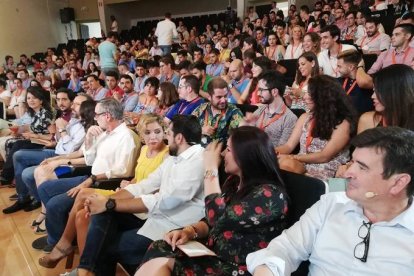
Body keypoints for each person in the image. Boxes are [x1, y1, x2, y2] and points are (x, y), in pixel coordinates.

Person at [247, 127, 414, 276]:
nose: (348, 173)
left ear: (398, 183)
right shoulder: (332, 203)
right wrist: (268, 269)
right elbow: (287, 247)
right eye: (352, 162)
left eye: (362, 167)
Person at [136, 126, 289, 276]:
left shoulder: (270, 195)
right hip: (214, 254)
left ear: (245, 156)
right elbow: (211, 221)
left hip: (238, 267)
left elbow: (217, 218)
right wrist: (190, 231)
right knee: (161, 246)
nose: (222, 154)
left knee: (165, 261)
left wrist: (210, 169)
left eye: (228, 150)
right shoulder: (234, 182)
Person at [63, 115, 205, 276]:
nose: (166, 137)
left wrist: (110, 203)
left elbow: (166, 201)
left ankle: (86, 271)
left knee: (103, 246)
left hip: (172, 227)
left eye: (168, 134)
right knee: (103, 212)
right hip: (155, 216)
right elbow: (144, 185)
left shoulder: (198, 160)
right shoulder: (175, 157)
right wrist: (106, 201)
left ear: (179, 138)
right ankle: (86, 271)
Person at [38, 114, 169, 268]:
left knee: (83, 194)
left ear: (164, 132)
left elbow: (159, 190)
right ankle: (84, 267)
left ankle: (64, 245)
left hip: (140, 205)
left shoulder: (167, 154)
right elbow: (138, 178)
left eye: (157, 131)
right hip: (129, 193)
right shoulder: (144, 149)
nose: (153, 137)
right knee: (81, 216)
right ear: (141, 134)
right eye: (147, 133)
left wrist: (130, 188)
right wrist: (129, 183)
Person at [35, 98, 140, 251]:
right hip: (91, 177)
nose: (95, 118)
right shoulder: (104, 133)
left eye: (97, 115)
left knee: (54, 205)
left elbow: (124, 171)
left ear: (108, 116)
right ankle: (61, 229)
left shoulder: (127, 136)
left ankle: (57, 241)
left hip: (105, 183)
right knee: (45, 188)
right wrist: (89, 138)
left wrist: (93, 179)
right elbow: (90, 160)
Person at [276, 75, 356, 181]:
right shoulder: (305, 117)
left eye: (309, 94)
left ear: (323, 96)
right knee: (276, 164)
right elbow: (289, 146)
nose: (304, 97)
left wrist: (294, 157)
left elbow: (325, 156)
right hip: (300, 163)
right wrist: (269, 151)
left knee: (285, 165)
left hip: (324, 167)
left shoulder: (342, 123)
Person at [245, 71, 297, 147]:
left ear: (274, 92)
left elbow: (282, 149)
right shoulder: (261, 110)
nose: (258, 93)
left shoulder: (289, 118)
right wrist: (248, 127)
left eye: (261, 90)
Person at [191, 77, 243, 146]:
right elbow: (187, 128)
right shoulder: (201, 108)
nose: (223, 100)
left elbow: (238, 141)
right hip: (197, 150)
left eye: (225, 96)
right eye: (219, 97)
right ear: (209, 97)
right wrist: (200, 130)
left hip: (218, 154)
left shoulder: (234, 113)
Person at [337, 50, 374, 115]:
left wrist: (360, 67)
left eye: (339, 66)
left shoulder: (366, 80)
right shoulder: (338, 81)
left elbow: (364, 82)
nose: (336, 69)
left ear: (351, 67)